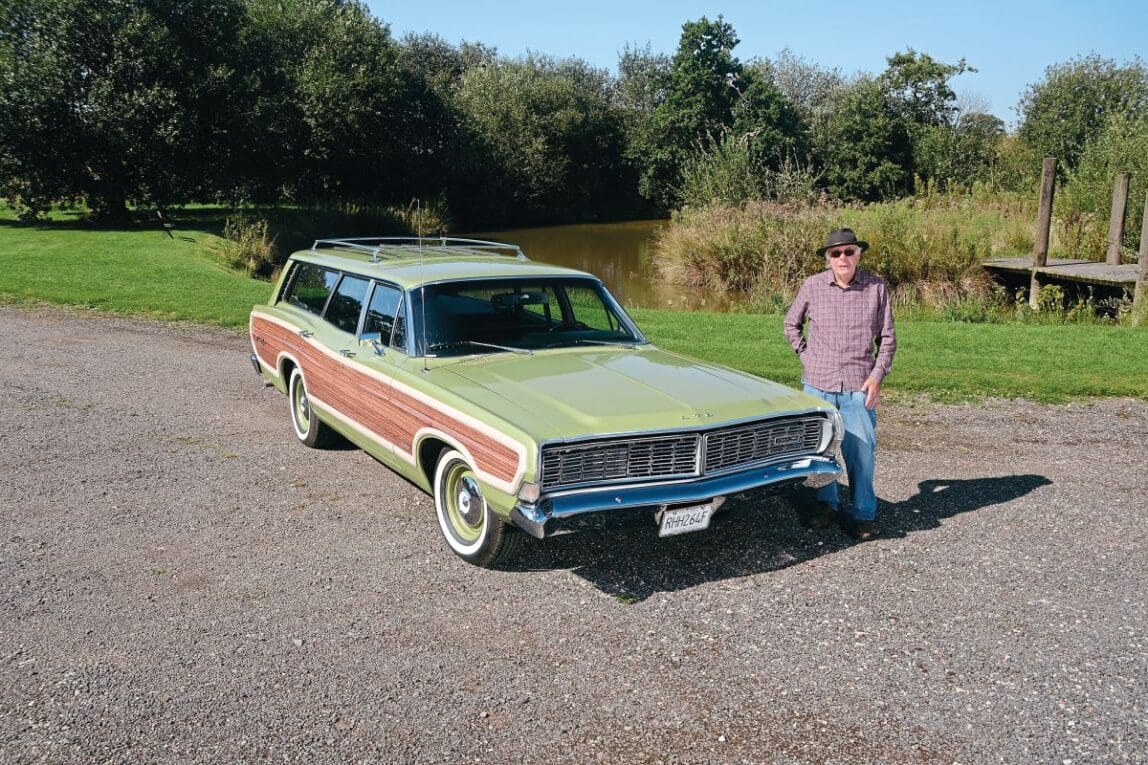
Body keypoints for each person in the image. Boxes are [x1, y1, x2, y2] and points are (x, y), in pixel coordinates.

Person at [783, 228, 896, 540]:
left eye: (849, 251)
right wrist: (806, 357)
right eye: (836, 253)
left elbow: (887, 339)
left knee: (861, 453)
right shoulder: (813, 286)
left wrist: (877, 376)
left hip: (858, 387)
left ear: (859, 253)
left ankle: (863, 515)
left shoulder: (876, 287)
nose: (843, 258)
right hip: (817, 386)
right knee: (821, 453)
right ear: (828, 258)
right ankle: (826, 506)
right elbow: (791, 324)